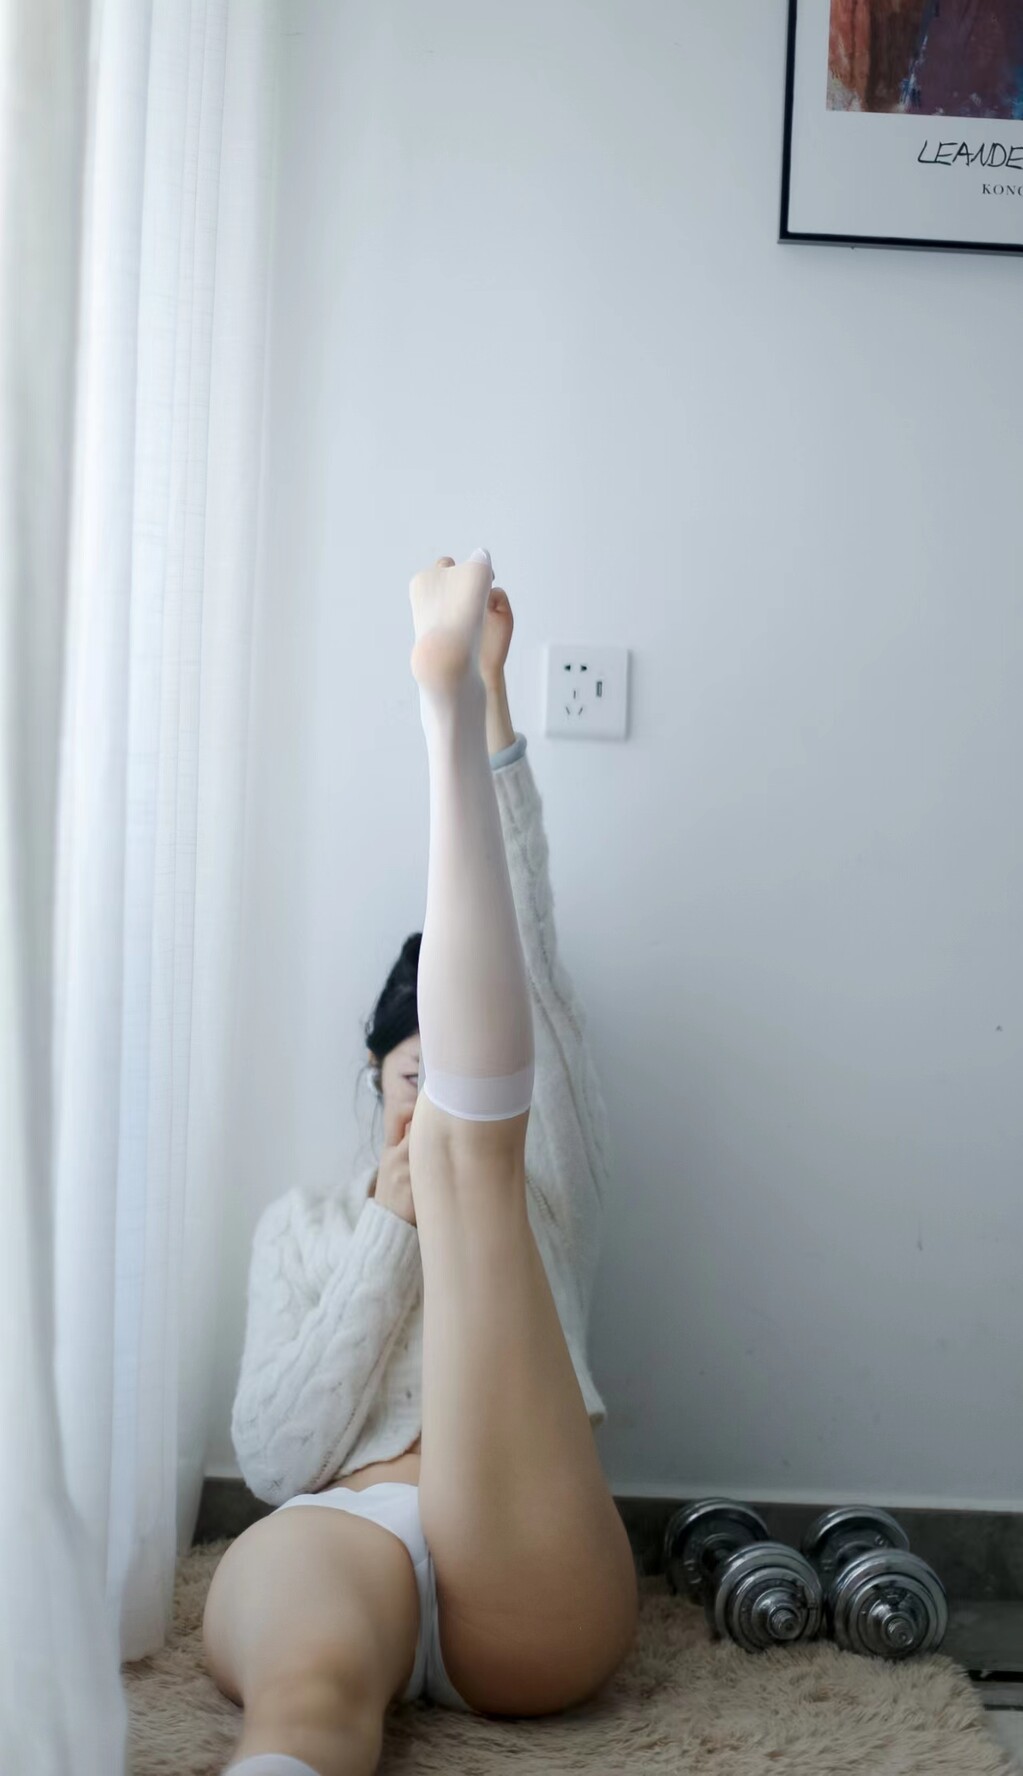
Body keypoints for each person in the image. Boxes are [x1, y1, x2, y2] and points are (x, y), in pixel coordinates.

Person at [202, 550, 639, 1776]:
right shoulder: (302, 1225)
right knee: (308, 1695)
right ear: (373, 1079)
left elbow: (527, 944)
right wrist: (386, 1238)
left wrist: (488, 703)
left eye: (444, 1073)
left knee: (471, 1157)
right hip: (351, 1526)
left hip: (527, 1545)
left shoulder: (548, 1173)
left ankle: (438, 719)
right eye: (412, 1077)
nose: (424, 1098)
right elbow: (274, 1458)